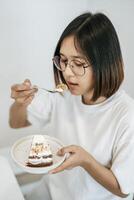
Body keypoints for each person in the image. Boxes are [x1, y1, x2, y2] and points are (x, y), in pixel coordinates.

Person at [9, 12, 134, 200]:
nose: (67, 72)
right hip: (52, 191)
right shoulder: (64, 96)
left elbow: (122, 190)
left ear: (105, 64)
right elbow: (16, 123)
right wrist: (20, 103)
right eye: (64, 61)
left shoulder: (126, 115)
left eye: (78, 63)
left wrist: (86, 161)